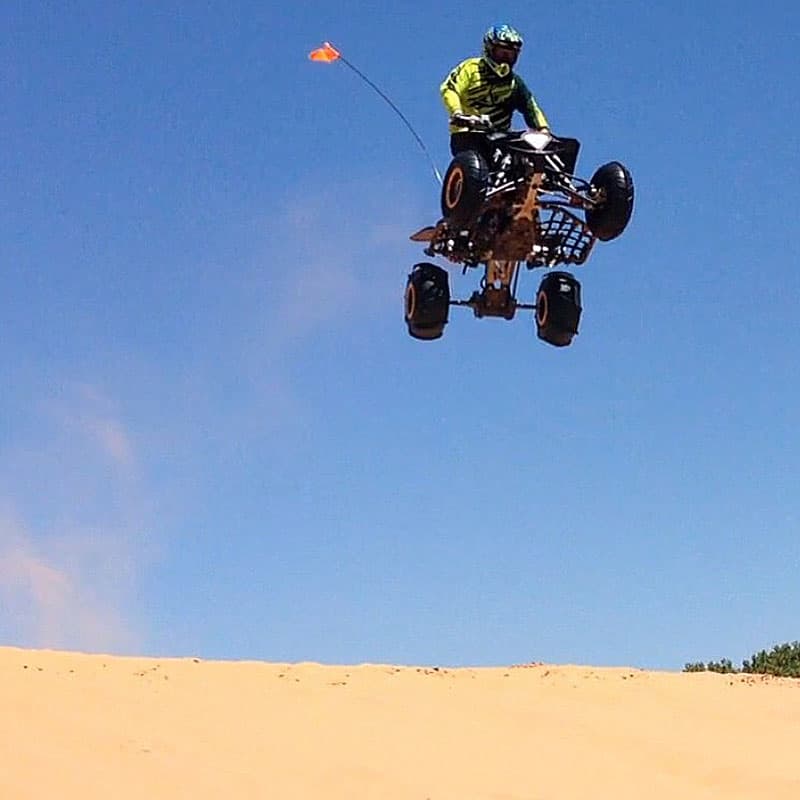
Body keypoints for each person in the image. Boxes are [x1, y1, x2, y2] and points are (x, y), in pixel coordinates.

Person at [440, 24, 550, 159]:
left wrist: (543, 129)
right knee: (475, 161)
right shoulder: (471, 68)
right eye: (502, 53)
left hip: (501, 136)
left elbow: (530, 106)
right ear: (489, 49)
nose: (506, 59)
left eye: (511, 55)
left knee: (530, 147)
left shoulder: (514, 83)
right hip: (468, 133)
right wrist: (457, 113)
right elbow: (450, 89)